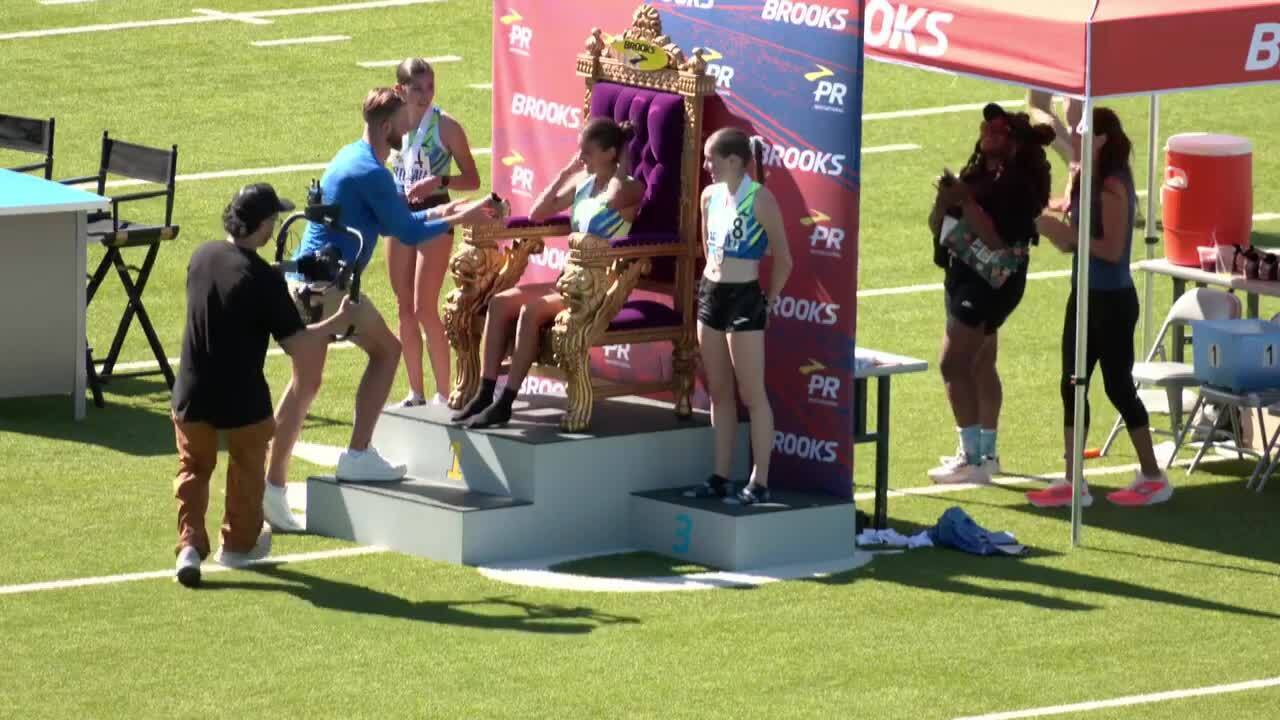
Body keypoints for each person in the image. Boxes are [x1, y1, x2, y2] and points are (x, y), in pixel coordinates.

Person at [262, 88, 495, 532]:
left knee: (311, 382)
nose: (409, 127)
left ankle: (282, 482)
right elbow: (407, 232)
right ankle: (339, 461)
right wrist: (461, 218)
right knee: (379, 355)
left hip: (310, 282)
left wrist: (451, 207)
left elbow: (396, 218)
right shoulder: (372, 171)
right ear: (387, 126)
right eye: (404, 121)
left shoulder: (352, 155)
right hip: (327, 289)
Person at [171, 183, 375, 587]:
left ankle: (189, 546)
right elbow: (300, 345)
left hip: (192, 391)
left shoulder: (201, 256)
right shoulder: (264, 281)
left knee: (193, 469)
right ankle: (238, 545)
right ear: (263, 226)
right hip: (242, 398)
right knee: (248, 466)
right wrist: (338, 322)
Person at [450, 117, 645, 429]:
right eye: (580, 151)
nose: (581, 158)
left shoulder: (630, 187)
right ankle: (485, 393)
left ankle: (506, 402)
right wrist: (567, 173)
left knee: (531, 312)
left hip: (600, 285)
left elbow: (612, 199)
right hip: (570, 281)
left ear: (610, 153)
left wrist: (622, 165)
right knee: (499, 303)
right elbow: (539, 212)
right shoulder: (583, 183)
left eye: (588, 152)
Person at [1028, 107, 1171, 508]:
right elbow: (1073, 236)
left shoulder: (1113, 185)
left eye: (1083, 132)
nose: (1075, 136)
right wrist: (1051, 226)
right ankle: (1073, 479)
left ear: (1103, 138)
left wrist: (1065, 232)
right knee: (1072, 384)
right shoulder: (1085, 177)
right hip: (1084, 295)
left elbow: (1110, 249)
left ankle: (1153, 476)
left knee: (1118, 387)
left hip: (1112, 300)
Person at [927, 103, 1054, 485]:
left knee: (953, 365)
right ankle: (987, 453)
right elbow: (938, 225)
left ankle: (971, 459)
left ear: (1014, 143)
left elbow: (998, 241)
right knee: (981, 365)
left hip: (988, 281)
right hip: (965, 274)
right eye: (985, 127)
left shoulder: (1017, 185)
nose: (987, 133)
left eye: (998, 130)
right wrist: (945, 200)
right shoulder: (977, 172)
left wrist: (966, 201)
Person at [685, 128, 792, 505]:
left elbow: (784, 259)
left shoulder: (760, 199)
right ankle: (720, 475)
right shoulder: (709, 196)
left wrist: (768, 301)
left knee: (752, 393)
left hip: (745, 298)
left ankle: (759, 481)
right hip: (711, 295)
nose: (706, 166)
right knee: (719, 391)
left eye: (710, 159)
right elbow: (707, 246)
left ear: (733, 161)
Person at [387, 57, 481, 408]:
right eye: (417, 89)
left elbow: (472, 179)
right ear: (400, 90)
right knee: (403, 307)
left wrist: (439, 180)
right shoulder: (391, 125)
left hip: (435, 216)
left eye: (430, 87)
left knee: (424, 307)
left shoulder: (446, 126)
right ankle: (415, 393)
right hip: (398, 215)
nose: (425, 95)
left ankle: (444, 394)